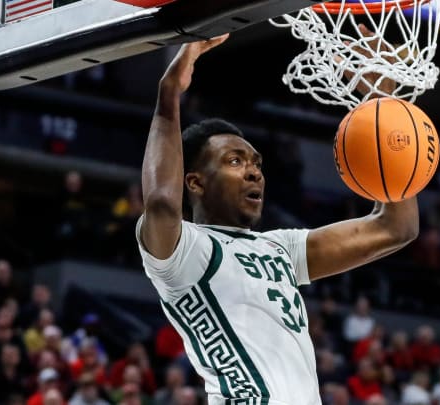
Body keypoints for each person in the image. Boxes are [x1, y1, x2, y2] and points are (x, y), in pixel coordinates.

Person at [135, 32, 419, 405]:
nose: (254, 172)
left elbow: (396, 227)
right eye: (235, 161)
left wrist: (383, 101)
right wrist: (168, 95)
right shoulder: (184, 250)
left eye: (256, 163)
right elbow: (160, 202)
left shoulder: (280, 247)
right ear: (195, 182)